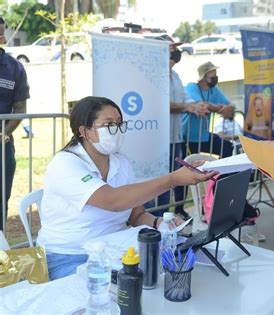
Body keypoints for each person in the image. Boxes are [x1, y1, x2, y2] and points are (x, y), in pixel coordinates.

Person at [37, 96, 216, 280]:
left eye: (119, 123)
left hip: (113, 251)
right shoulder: (65, 164)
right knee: (125, 291)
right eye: (108, 124)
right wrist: (173, 179)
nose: (116, 129)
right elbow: (113, 201)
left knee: (170, 273)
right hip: (66, 256)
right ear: (85, 131)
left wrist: (160, 223)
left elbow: (136, 215)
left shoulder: (120, 161)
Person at [148, 36, 208, 220]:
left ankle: (164, 218)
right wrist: (186, 107)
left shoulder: (175, 76)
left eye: (175, 48)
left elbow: (184, 98)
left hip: (175, 138)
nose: (175, 51)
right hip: (156, 140)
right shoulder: (151, 74)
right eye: (171, 48)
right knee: (155, 184)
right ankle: (151, 220)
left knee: (169, 182)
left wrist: (196, 105)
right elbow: (158, 103)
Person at [0, 17, 30, 231]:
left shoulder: (14, 68)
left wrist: (3, 134)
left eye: (2, 32)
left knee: (1, 200)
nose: (2, 37)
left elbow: (20, 111)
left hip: (2, 145)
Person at [184, 61, 235, 158]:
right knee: (190, 163)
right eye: (213, 75)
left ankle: (223, 173)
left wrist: (228, 108)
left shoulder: (213, 89)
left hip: (204, 135)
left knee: (227, 146)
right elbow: (201, 104)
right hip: (189, 137)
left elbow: (230, 104)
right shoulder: (192, 87)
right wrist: (218, 108)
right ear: (204, 77)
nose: (216, 77)